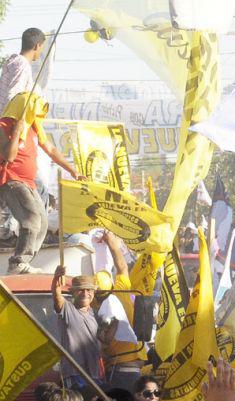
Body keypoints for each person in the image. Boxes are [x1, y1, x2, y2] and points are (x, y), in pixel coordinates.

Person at [1, 93, 84, 274]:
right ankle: (17, 263)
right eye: (36, 111)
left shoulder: (33, 128)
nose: (38, 116)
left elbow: (51, 149)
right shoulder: (4, 125)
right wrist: (16, 132)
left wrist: (72, 170)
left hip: (29, 183)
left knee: (43, 223)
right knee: (31, 221)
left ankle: (23, 262)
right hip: (10, 180)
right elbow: (9, 156)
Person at [96, 232, 147, 391]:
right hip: (134, 368)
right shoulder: (121, 293)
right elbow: (122, 267)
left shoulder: (95, 309)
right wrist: (112, 243)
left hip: (120, 371)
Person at [52, 265, 104, 387]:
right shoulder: (67, 308)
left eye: (89, 290)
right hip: (73, 374)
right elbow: (56, 295)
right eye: (80, 290)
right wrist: (56, 279)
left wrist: (115, 321)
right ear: (73, 293)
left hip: (94, 374)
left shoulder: (96, 314)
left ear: (94, 292)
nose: (85, 293)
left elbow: (104, 341)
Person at [0, 28, 45, 110]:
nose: (41, 51)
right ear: (37, 46)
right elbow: (14, 96)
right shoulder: (22, 64)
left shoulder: (12, 61)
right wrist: (17, 121)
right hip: (10, 120)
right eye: (42, 47)